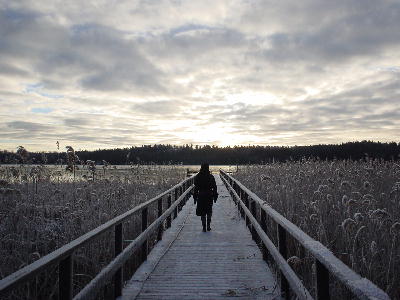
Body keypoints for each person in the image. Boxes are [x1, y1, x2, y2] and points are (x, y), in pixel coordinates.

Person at [193, 163, 218, 232]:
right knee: (209, 211)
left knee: (202, 212)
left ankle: (204, 227)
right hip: (209, 195)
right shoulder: (211, 177)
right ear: (208, 168)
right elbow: (215, 187)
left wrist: (195, 197)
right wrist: (215, 196)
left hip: (201, 195)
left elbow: (196, 188)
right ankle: (208, 226)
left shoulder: (198, 176)